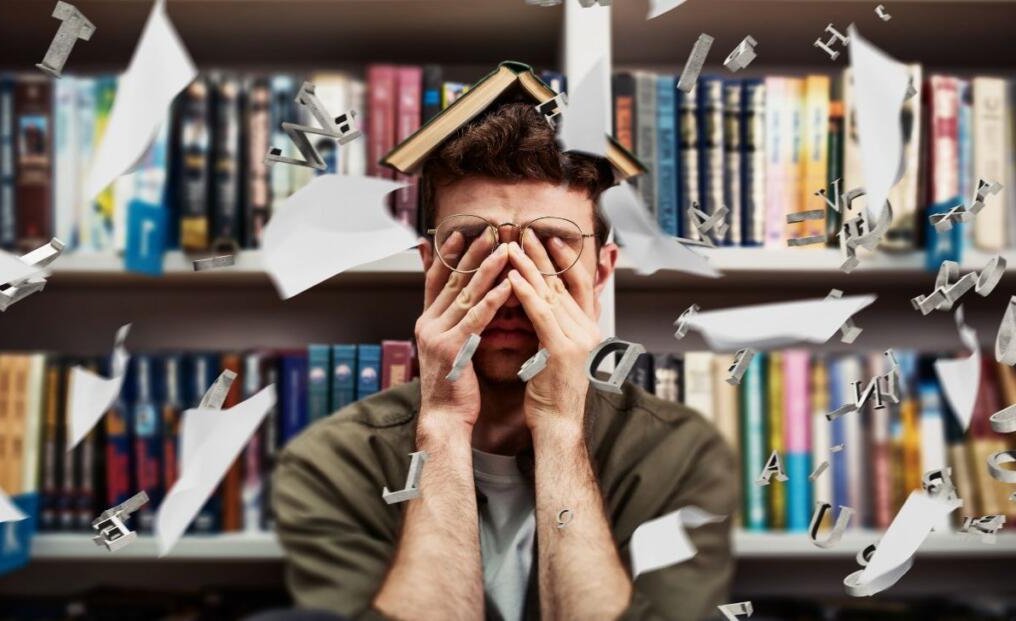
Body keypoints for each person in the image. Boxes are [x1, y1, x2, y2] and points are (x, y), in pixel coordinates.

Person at [273, 90, 737, 621]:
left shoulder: (680, 455)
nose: (511, 282)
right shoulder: (330, 463)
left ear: (603, 272)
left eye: (551, 247)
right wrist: (444, 421)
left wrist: (562, 425)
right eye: (471, 244)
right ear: (430, 268)